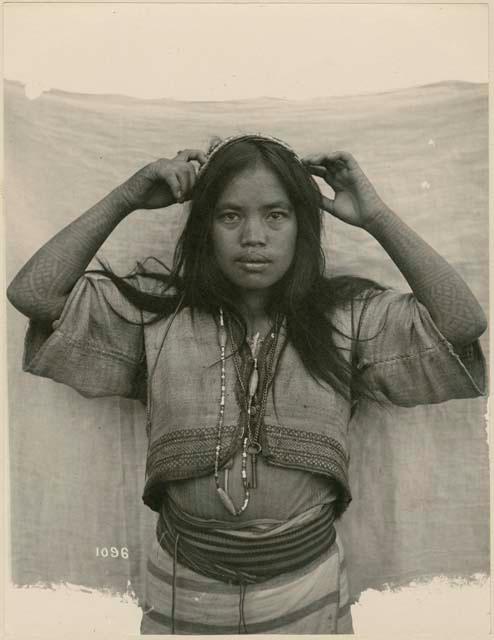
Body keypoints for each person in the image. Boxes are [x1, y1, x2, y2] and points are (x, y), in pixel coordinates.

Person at [7, 134, 487, 634]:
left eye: (276, 215)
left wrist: (375, 216)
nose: (253, 236)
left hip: (308, 589)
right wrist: (127, 196)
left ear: (303, 227)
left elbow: (461, 324)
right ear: (204, 229)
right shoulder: (159, 318)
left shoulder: (348, 318)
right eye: (229, 215)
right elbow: (34, 293)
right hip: (183, 588)